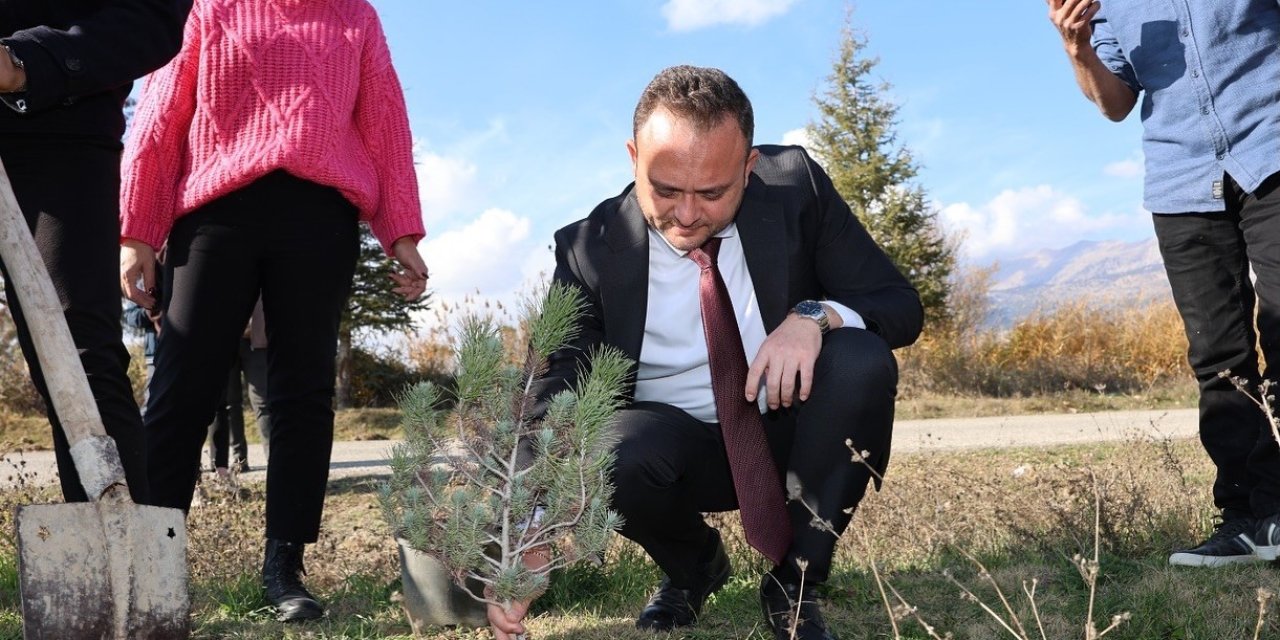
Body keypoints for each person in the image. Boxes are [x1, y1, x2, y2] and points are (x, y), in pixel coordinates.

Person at [513, 65, 923, 640]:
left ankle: (796, 583)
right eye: (665, 189)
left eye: (712, 193)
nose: (686, 216)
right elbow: (553, 388)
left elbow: (897, 303)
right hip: (668, 454)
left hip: (790, 434)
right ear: (633, 157)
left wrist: (812, 317)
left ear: (748, 167)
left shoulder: (795, 187)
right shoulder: (588, 249)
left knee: (859, 360)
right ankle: (692, 569)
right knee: (605, 447)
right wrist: (529, 530)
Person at [117, 0, 429, 622]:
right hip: (215, 211)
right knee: (183, 385)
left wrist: (402, 234)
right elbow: (159, 116)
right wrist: (137, 233)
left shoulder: (355, 17)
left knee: (302, 391)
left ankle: (285, 566)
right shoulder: (207, 8)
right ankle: (152, 566)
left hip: (319, 218)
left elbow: (384, 124)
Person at [1048, 0, 1280, 567]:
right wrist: (1077, 48)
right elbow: (1115, 103)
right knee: (1218, 356)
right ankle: (1249, 520)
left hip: (1271, 146)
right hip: (1182, 181)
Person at [0, 2, 191, 504]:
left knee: (78, 351)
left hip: (59, 138)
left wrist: (23, 63)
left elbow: (151, 18)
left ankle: (122, 561)